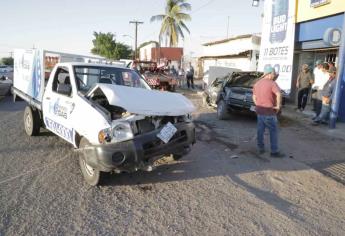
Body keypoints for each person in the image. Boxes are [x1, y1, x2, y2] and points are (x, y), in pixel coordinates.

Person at [253, 66, 284, 158]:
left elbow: (254, 97)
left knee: (260, 130)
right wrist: (278, 106)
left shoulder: (257, 83)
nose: (274, 76)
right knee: (273, 132)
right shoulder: (272, 83)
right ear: (269, 74)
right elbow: (279, 94)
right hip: (269, 112)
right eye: (273, 74)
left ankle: (260, 148)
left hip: (260, 111)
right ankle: (274, 151)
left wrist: (258, 104)